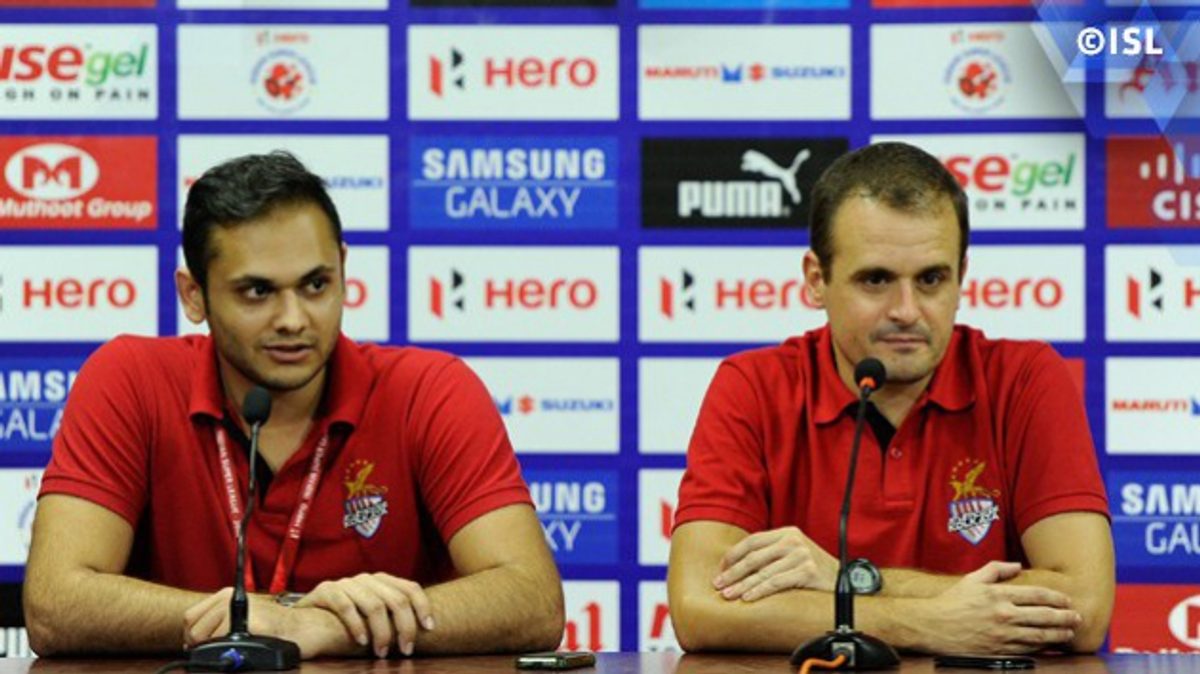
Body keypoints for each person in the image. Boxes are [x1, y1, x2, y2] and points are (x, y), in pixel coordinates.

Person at [23, 151, 564, 659]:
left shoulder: (429, 389)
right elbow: (54, 606)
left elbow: (532, 600)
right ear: (194, 295)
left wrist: (323, 627)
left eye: (315, 285)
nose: (293, 319)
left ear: (343, 269)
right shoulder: (130, 379)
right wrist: (256, 619)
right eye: (257, 292)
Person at [667, 142, 1114, 656]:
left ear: (961, 276)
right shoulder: (752, 387)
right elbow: (700, 608)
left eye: (931, 279)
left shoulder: (1024, 379)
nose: (906, 310)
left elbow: (1085, 606)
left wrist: (849, 579)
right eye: (876, 280)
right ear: (816, 280)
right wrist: (925, 624)